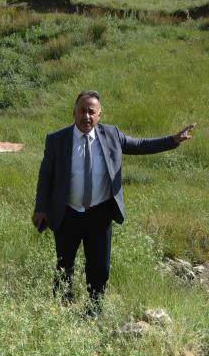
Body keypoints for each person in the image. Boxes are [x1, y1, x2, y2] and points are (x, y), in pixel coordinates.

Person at [33, 91, 195, 308]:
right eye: (82, 110)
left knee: (99, 267)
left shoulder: (112, 135)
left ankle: (95, 309)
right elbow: (46, 175)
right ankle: (63, 305)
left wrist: (173, 140)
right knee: (64, 264)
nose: (86, 116)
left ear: (100, 115)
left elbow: (140, 145)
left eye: (92, 112)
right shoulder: (57, 140)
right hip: (67, 212)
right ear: (74, 112)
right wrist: (41, 207)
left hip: (99, 214)